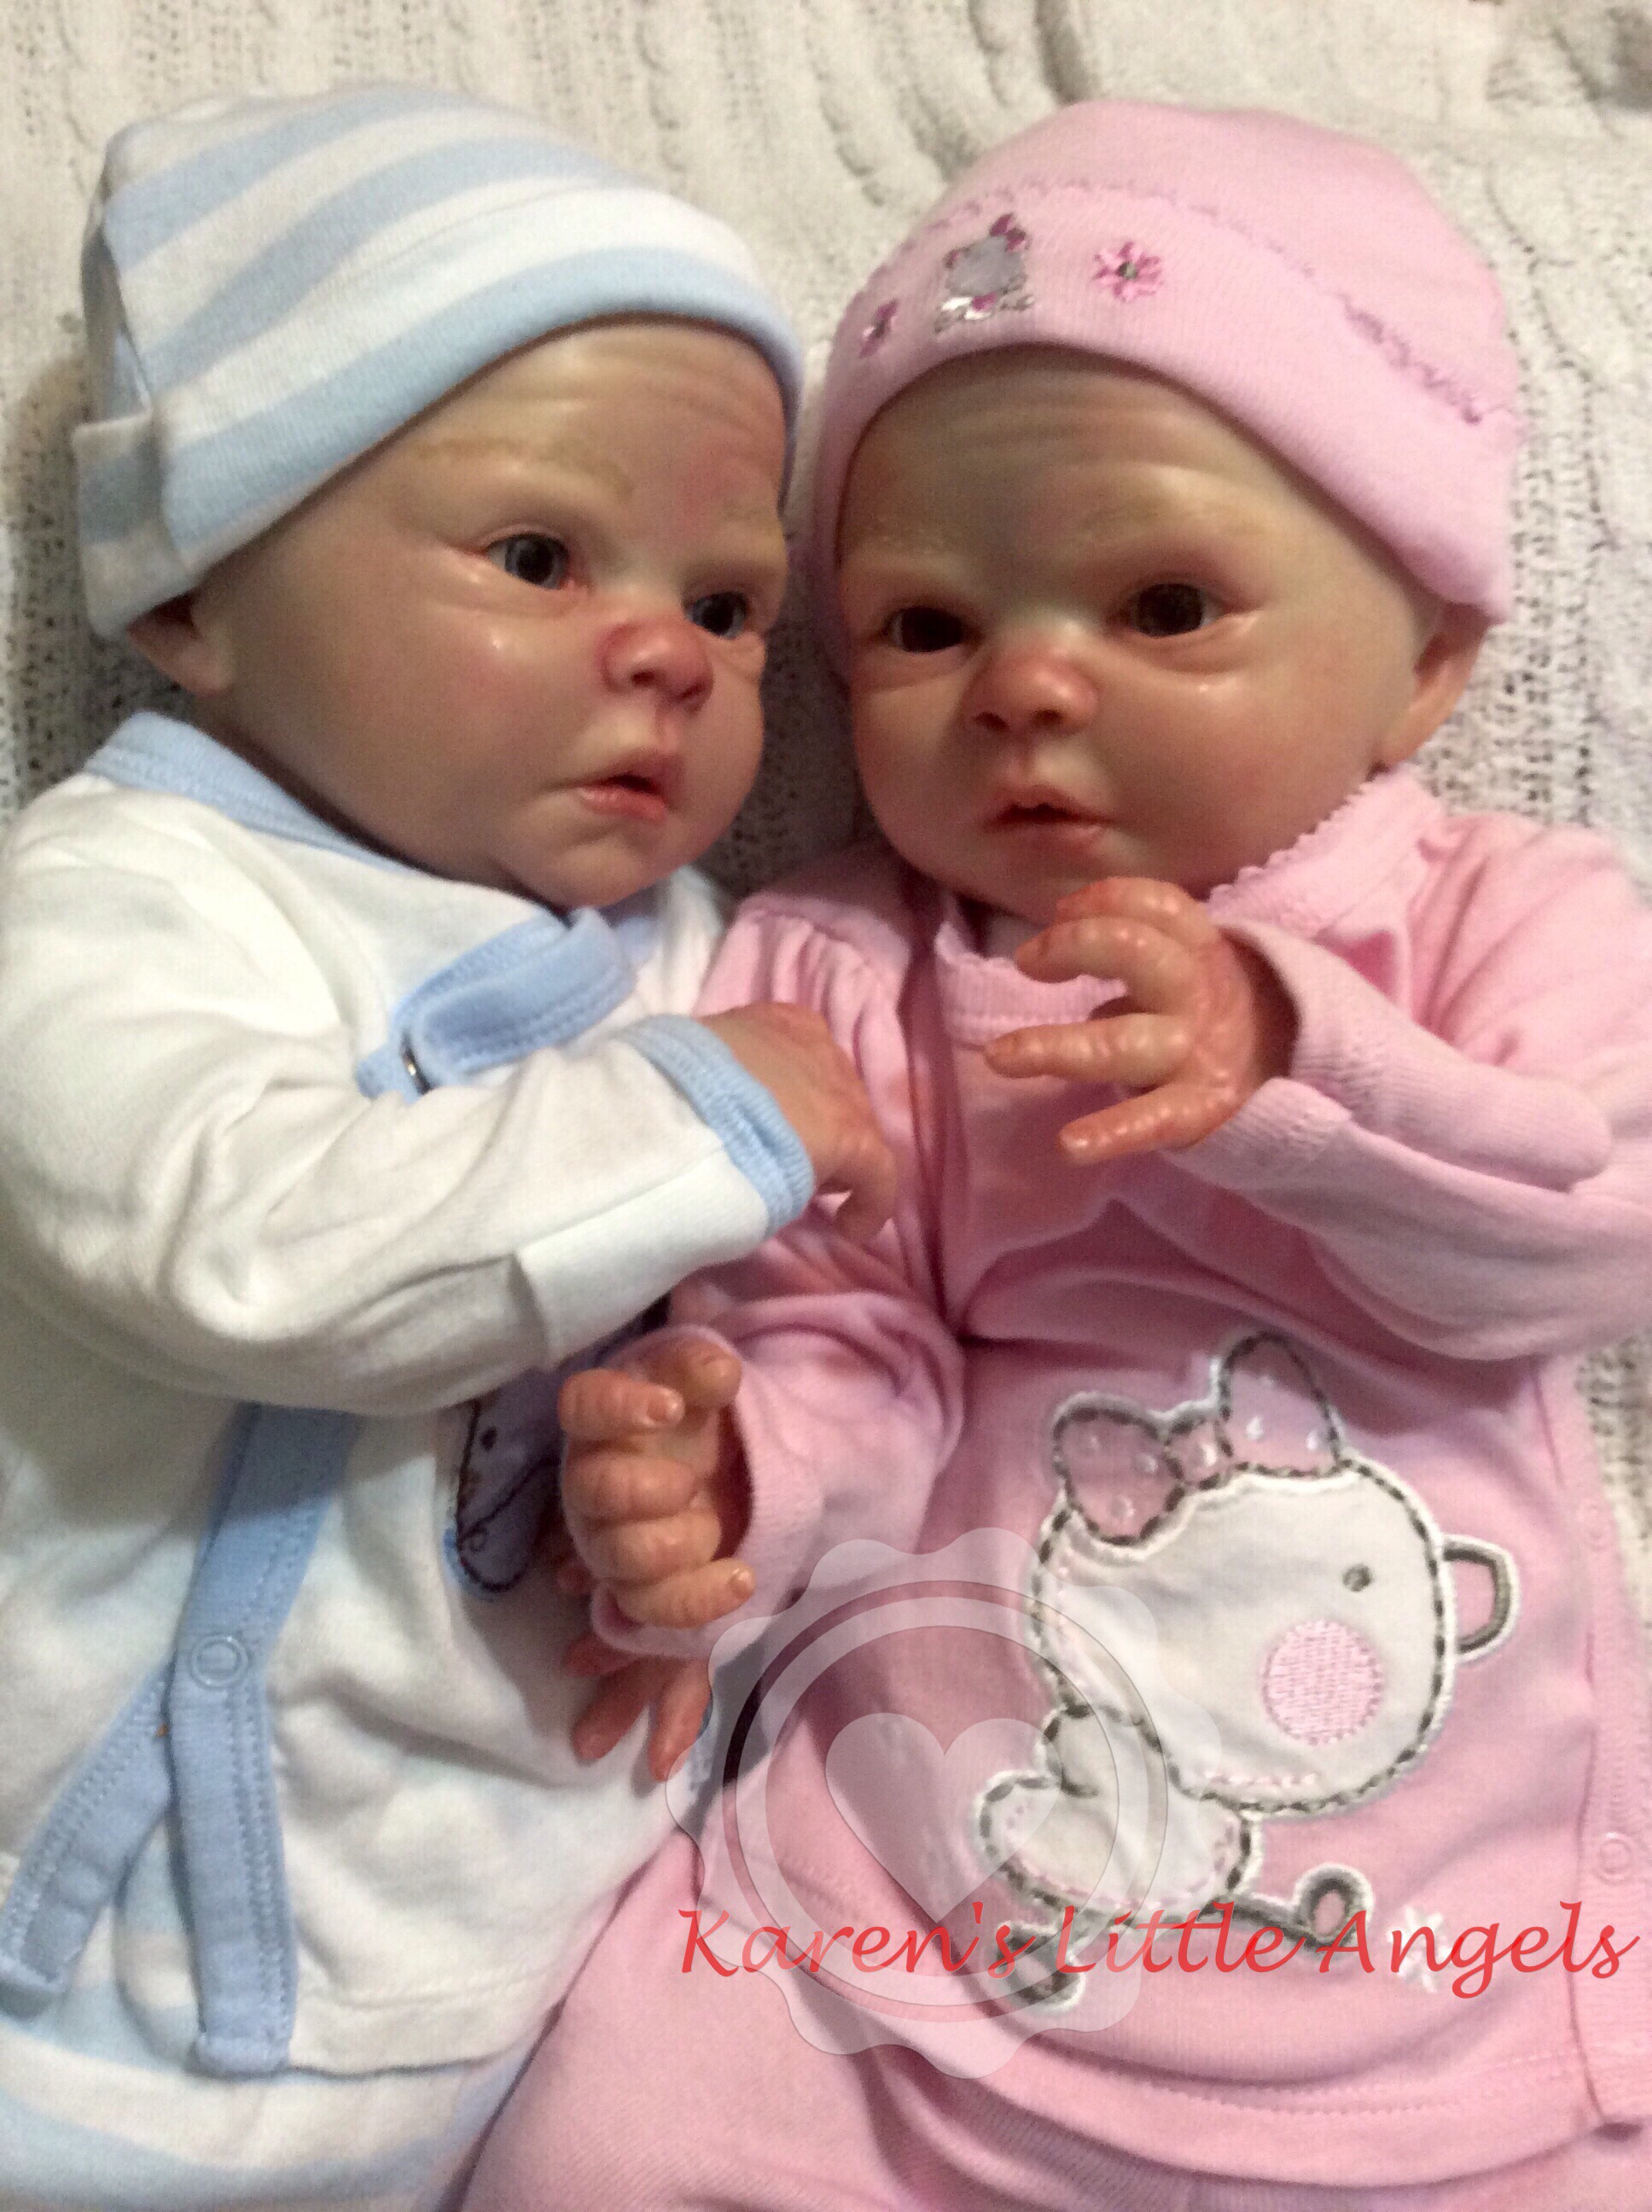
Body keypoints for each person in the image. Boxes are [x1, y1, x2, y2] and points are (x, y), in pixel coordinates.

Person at [469, 102, 1652, 2207]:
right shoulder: (837, 965)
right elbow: (843, 1339)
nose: (1022, 683)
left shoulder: (1499, 915)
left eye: (1161, 603)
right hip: (898, 1918)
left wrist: (1302, 1067)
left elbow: (1591, 1225)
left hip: (1448, 1969)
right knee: (611, 2122)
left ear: (1424, 664)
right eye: (923, 629)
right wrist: (744, 1469)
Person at [0, 83, 896, 2211]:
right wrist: (696, 1115)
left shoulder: (701, 970)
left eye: (733, 604)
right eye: (536, 558)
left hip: (473, 1987)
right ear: (195, 595)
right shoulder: (121, 905)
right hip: (73, 1982)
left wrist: (720, 1489)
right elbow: (238, 1250)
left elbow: (819, 1340)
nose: (665, 651)